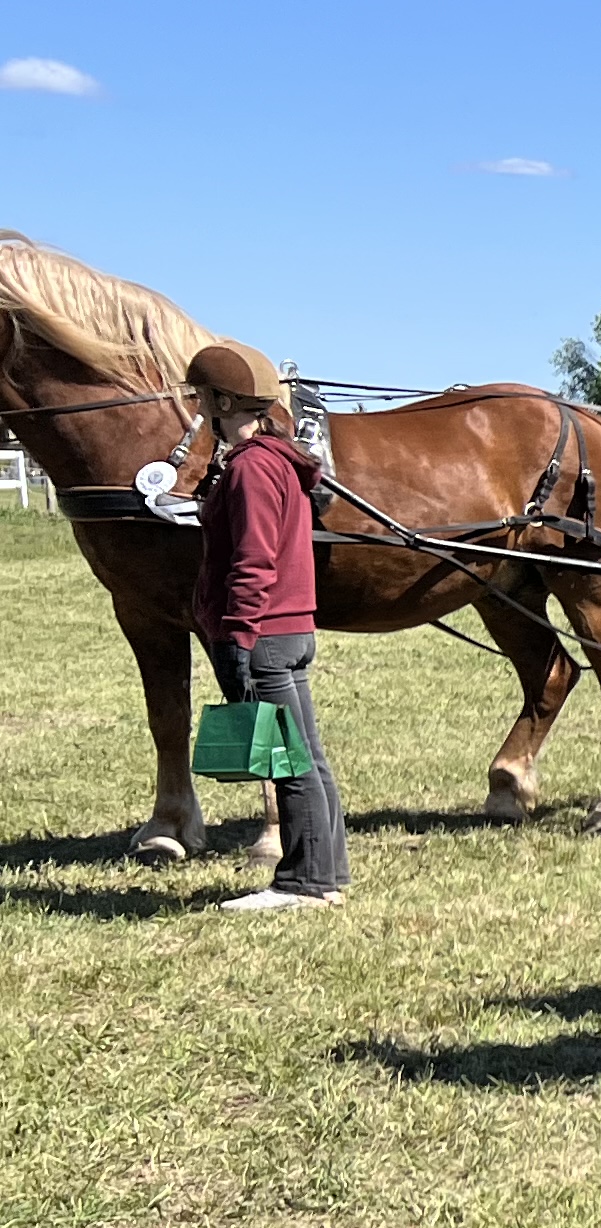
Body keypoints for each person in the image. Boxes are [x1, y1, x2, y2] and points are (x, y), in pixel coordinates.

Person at [185, 340, 348, 912]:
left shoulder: (253, 469)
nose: (199, 408)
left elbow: (255, 560)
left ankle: (302, 883)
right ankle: (328, 874)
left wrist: (237, 634)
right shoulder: (277, 460)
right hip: (290, 628)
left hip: (267, 634)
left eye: (203, 398)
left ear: (224, 400)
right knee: (307, 756)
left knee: (289, 761)